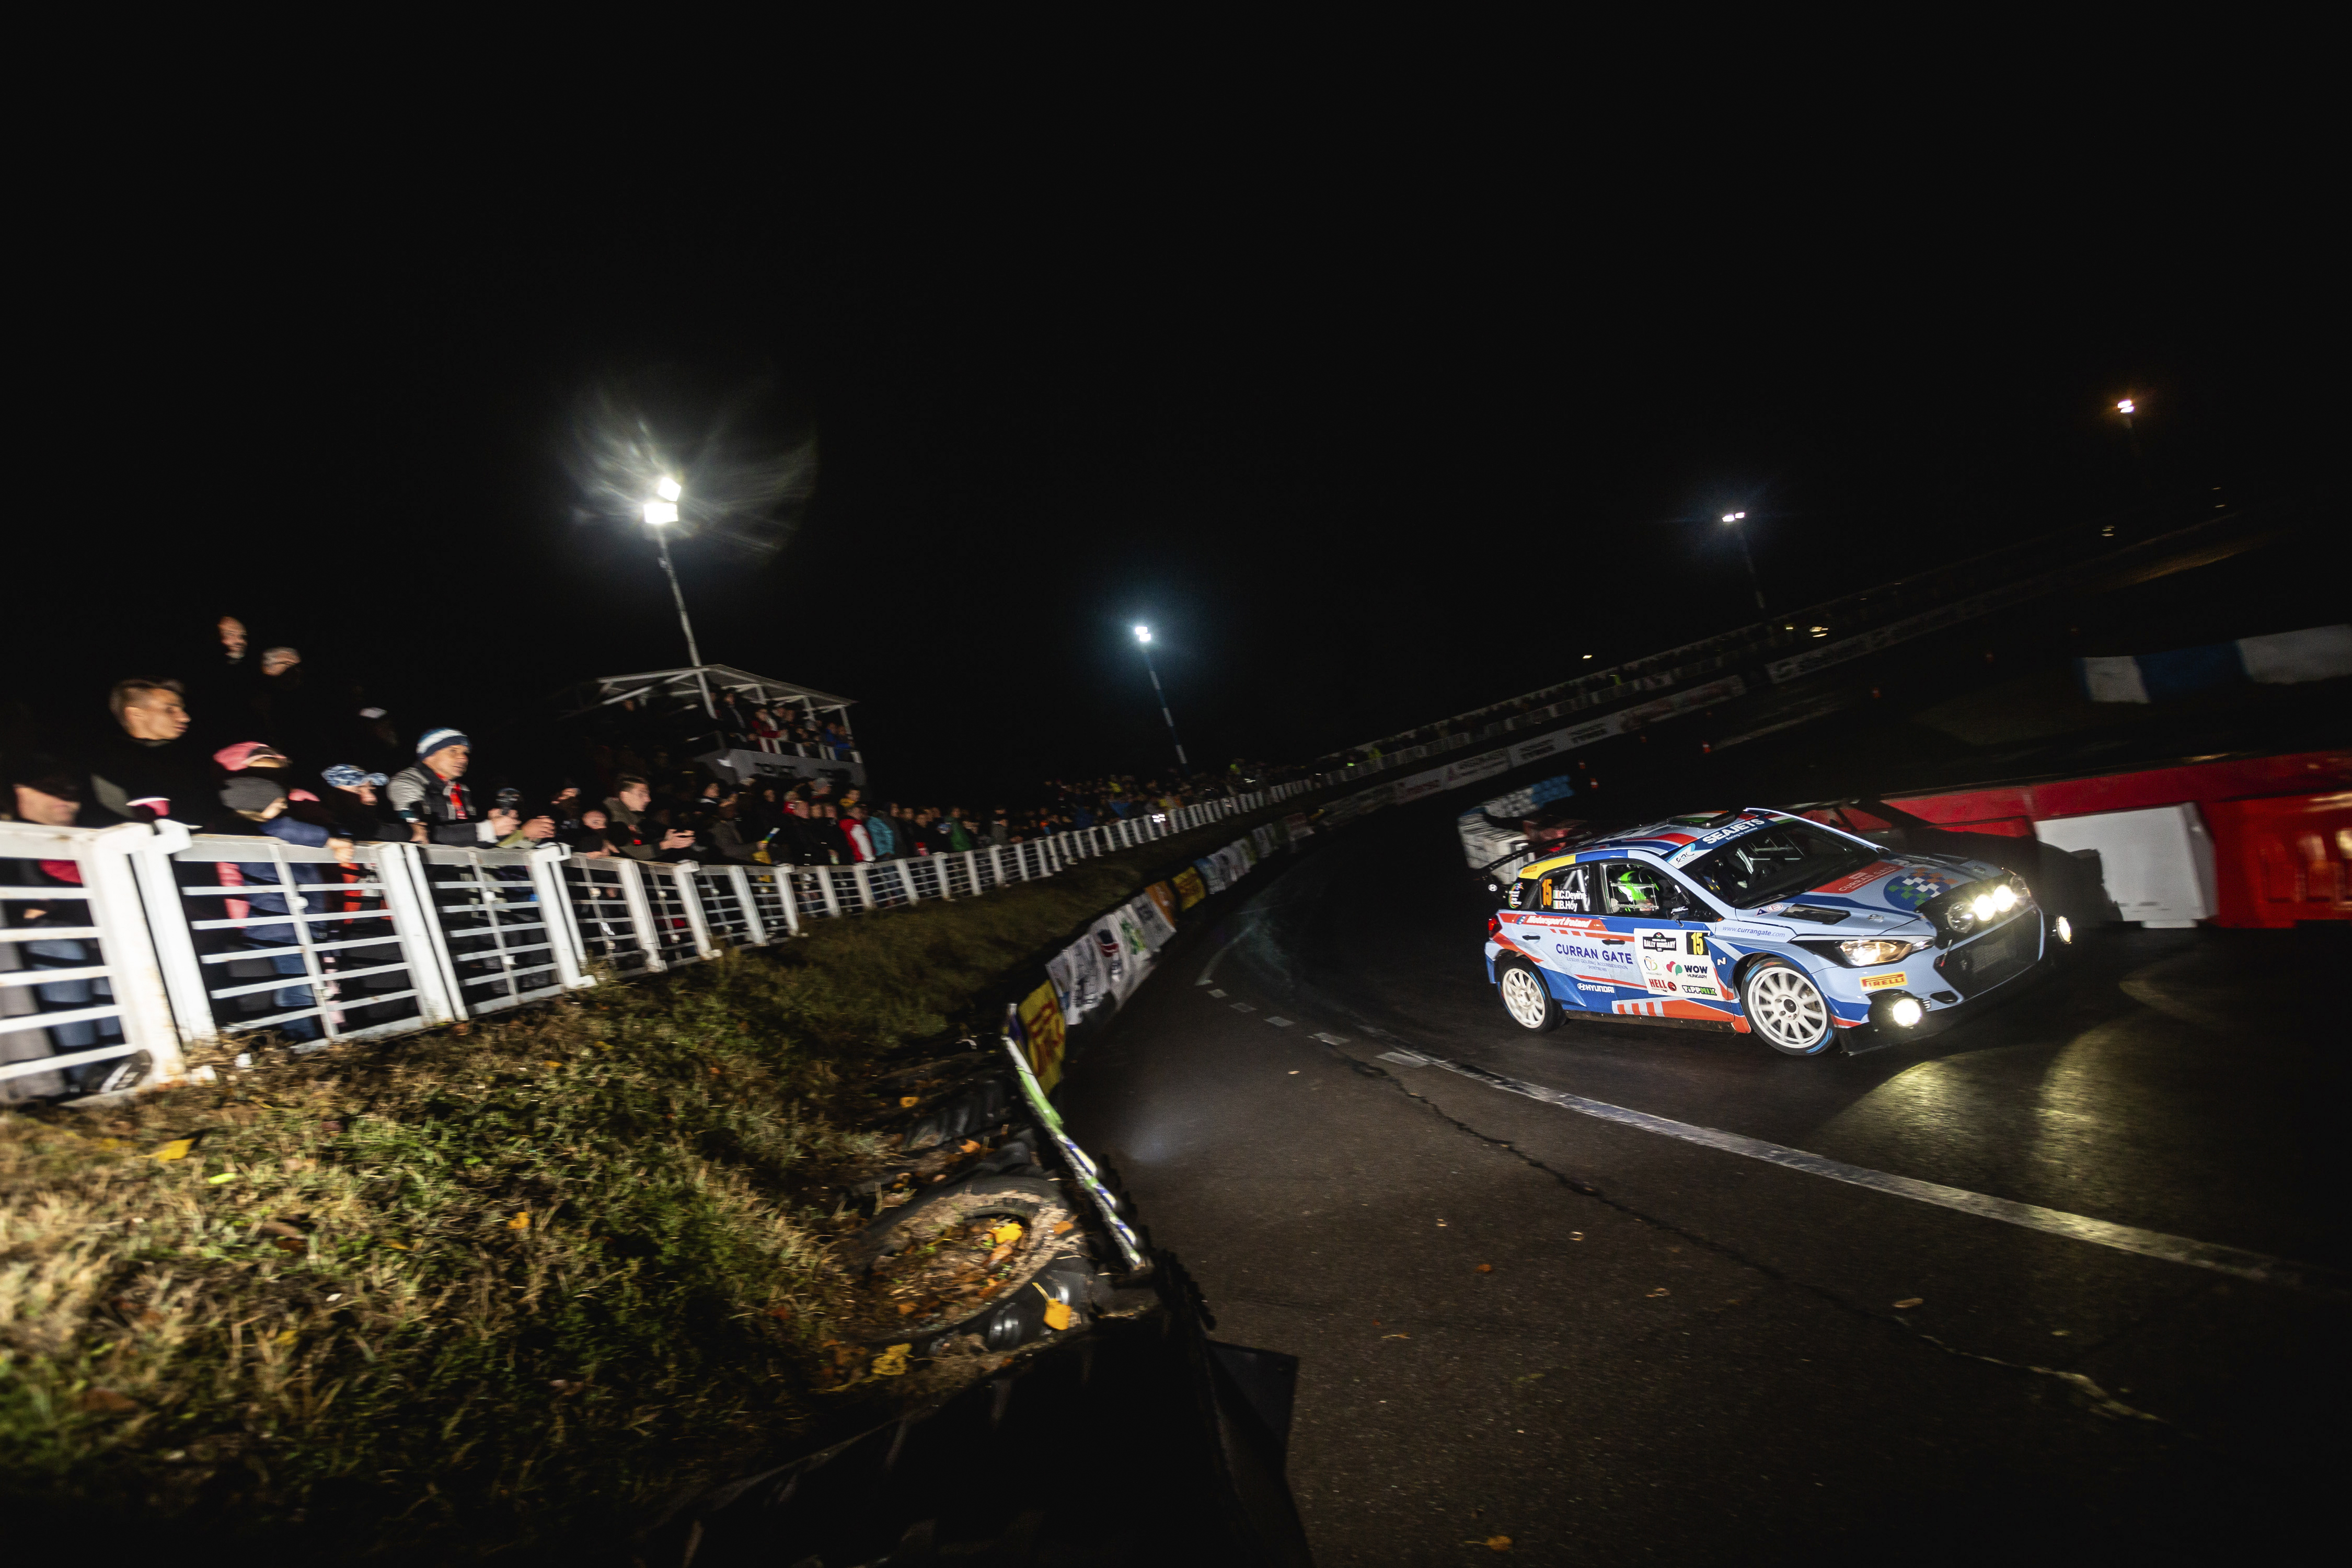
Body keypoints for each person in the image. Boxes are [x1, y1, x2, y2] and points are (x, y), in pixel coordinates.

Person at [1, 757, 139, 1099]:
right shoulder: (12, 840)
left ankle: (114, 1064)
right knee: (61, 945)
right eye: (51, 789)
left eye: (72, 791)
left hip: (90, 938)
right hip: (34, 947)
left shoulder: (87, 842)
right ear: (18, 792)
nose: (66, 798)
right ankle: (83, 1075)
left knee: (108, 955)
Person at [86, 678, 210, 826]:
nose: (185, 718)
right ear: (136, 715)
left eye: (182, 710)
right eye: (170, 710)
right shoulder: (109, 761)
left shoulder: (187, 757)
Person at [602, 774, 695, 861]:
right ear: (625, 795)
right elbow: (627, 853)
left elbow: (637, 844)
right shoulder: (612, 814)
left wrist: (665, 841)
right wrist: (666, 845)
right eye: (642, 794)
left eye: (648, 794)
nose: (648, 799)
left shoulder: (631, 818)